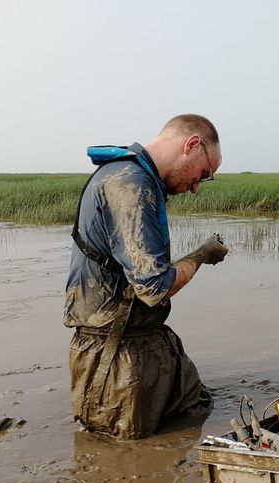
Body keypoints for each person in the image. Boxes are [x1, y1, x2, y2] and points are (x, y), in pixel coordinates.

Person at [64, 114, 229, 440]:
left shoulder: (137, 178)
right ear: (192, 145)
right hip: (115, 355)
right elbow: (154, 287)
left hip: (145, 338)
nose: (197, 186)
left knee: (196, 414)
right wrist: (203, 254)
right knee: (123, 461)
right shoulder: (130, 185)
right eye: (204, 174)